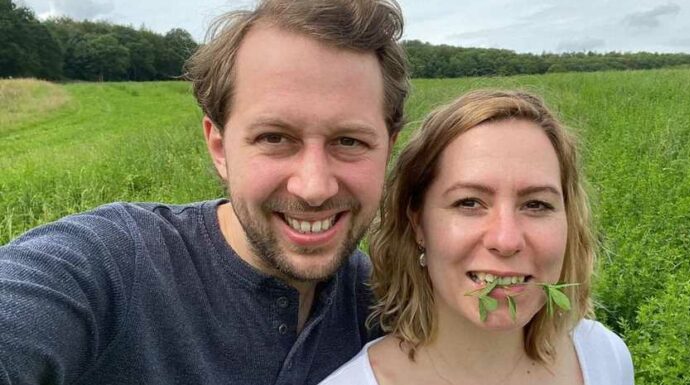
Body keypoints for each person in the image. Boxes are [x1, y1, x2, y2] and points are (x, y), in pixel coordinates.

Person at [0, 0, 409, 384]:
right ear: (219, 147)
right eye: (274, 137)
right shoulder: (112, 265)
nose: (315, 187)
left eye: (350, 142)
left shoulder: (381, 303)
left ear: (387, 150)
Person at [321, 90, 634, 385]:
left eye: (536, 204)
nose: (506, 239)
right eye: (469, 203)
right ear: (417, 223)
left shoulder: (603, 357)